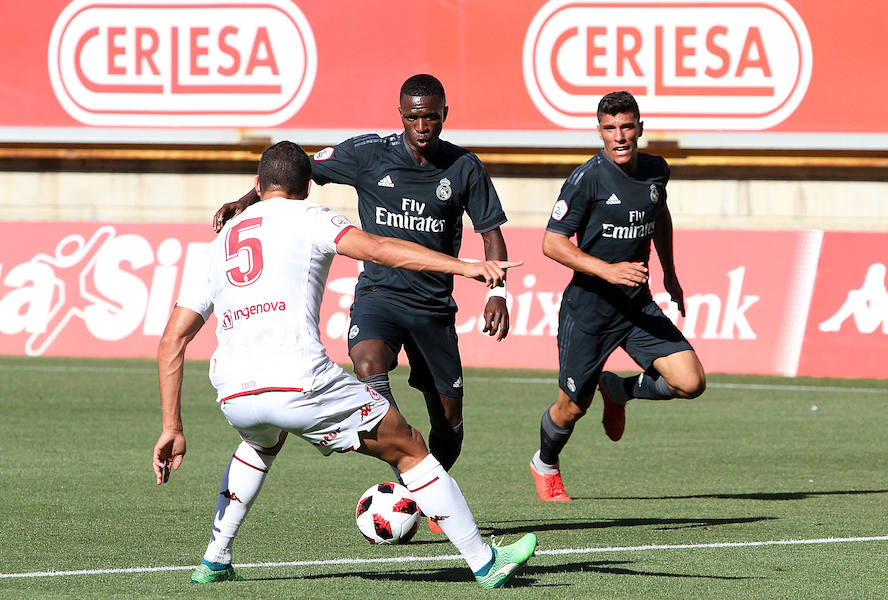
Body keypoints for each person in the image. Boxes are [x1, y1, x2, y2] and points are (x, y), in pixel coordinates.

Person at [153, 141, 535, 588]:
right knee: (410, 445)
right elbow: (379, 249)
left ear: (258, 186)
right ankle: (486, 562)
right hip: (301, 384)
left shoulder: (218, 244)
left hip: (236, 394)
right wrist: (465, 266)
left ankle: (215, 559)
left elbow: (172, 340)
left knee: (259, 444)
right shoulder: (310, 218)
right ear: (306, 187)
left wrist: (171, 427)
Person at [215, 74, 510, 532]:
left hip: (433, 306)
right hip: (379, 293)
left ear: (444, 115)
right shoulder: (368, 154)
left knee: (449, 421)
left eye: (430, 116)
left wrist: (497, 292)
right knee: (368, 359)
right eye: (412, 117)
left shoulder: (465, 167)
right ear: (401, 115)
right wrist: (246, 200)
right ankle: (399, 451)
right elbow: (295, 171)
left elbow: (490, 233)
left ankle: (425, 485)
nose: (422, 125)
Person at [529, 91, 706, 502]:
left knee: (691, 381)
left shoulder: (656, 171)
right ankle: (545, 463)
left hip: (636, 305)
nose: (620, 136)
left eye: (627, 126)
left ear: (640, 128)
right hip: (589, 311)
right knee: (572, 408)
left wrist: (670, 273)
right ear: (600, 132)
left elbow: (658, 214)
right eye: (610, 128)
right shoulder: (586, 179)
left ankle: (620, 390)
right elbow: (552, 244)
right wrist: (608, 270)